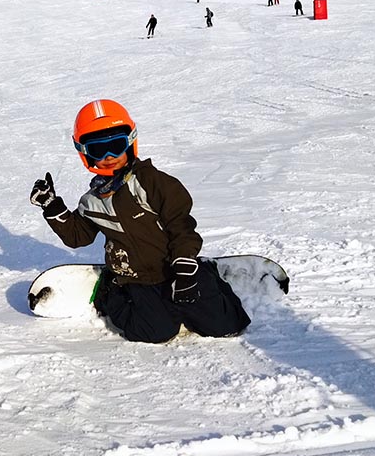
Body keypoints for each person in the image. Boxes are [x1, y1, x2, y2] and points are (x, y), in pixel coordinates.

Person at [29, 99, 251, 344]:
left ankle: (207, 275)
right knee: (155, 333)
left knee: (227, 325)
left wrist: (186, 266)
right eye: (98, 150)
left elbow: (182, 226)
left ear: (131, 141)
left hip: (177, 268)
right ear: (84, 153)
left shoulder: (153, 183)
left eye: (116, 145)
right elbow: (78, 236)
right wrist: (52, 207)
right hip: (137, 279)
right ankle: (109, 292)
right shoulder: (92, 201)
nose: (109, 156)